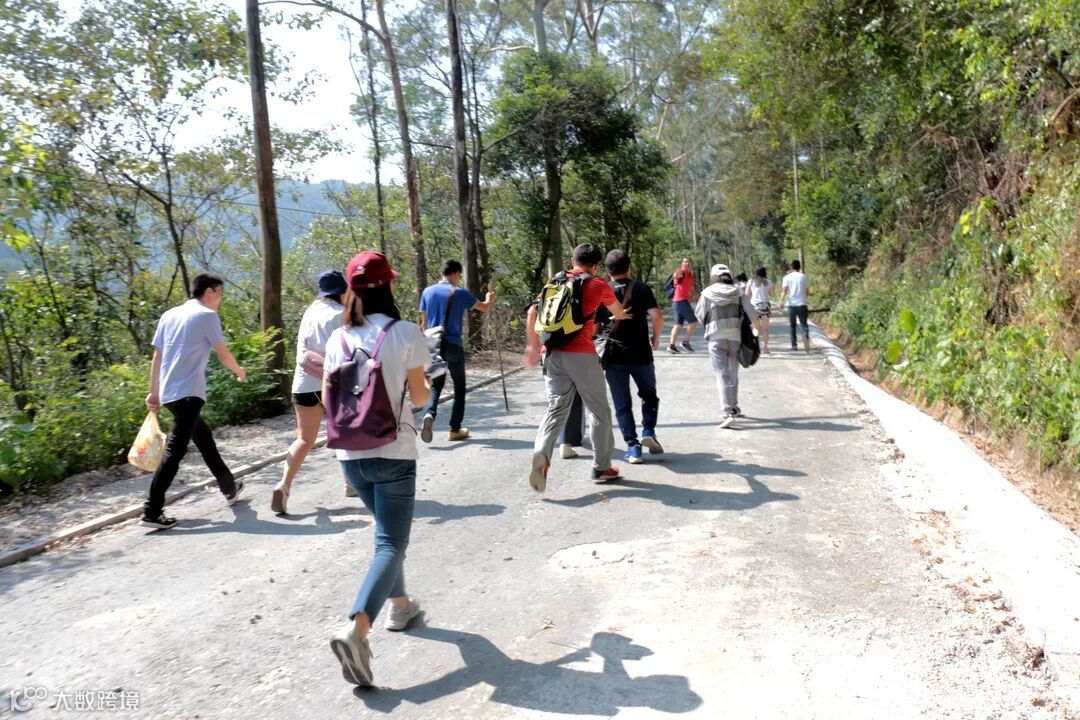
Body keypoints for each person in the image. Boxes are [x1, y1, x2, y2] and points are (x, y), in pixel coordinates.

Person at [325, 251, 431, 687]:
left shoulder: (338, 337)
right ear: (389, 285)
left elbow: (331, 396)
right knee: (390, 543)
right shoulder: (404, 332)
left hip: (350, 457)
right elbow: (420, 398)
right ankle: (357, 628)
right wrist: (422, 381)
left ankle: (400, 605)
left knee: (388, 537)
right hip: (393, 451)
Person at [139, 274, 246, 529]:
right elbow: (223, 354)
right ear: (209, 291)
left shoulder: (169, 315)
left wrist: (153, 392)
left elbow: (157, 355)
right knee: (174, 451)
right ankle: (152, 511)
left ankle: (229, 487)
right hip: (189, 393)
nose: (220, 300)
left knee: (205, 440)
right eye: (220, 294)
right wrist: (239, 371)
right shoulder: (207, 316)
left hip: (169, 394)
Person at [524, 243, 631, 491]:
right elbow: (616, 311)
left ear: (573, 261)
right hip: (581, 355)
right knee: (599, 411)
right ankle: (602, 467)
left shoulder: (556, 281)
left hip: (551, 354)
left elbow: (532, 312)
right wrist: (620, 315)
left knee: (556, 409)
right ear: (596, 266)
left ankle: (542, 452)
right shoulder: (598, 284)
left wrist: (532, 346)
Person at [272, 270, 347, 515]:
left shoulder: (310, 312)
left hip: (304, 384)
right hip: (333, 383)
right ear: (342, 291)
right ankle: (351, 483)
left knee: (304, 439)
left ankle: (284, 485)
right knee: (344, 433)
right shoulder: (341, 314)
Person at [595, 249, 665, 464]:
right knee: (649, 395)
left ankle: (633, 448)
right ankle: (648, 431)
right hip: (641, 353)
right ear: (629, 266)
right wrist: (655, 337)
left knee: (621, 402)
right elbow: (657, 316)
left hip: (613, 356)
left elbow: (595, 329)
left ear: (607, 270)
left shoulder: (602, 291)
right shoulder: (642, 288)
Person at [418, 260, 496, 443]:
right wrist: (489, 299)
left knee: (436, 385)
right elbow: (483, 308)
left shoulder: (427, 292)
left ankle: (429, 413)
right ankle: (455, 429)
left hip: (433, 344)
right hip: (453, 344)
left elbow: (423, 323)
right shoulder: (459, 292)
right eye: (459, 275)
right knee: (459, 387)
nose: (458, 278)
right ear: (454, 273)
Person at [695, 264, 759, 429]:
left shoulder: (707, 293)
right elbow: (753, 314)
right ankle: (734, 407)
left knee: (721, 374)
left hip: (716, 338)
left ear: (713, 276)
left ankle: (727, 412)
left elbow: (699, 315)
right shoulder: (738, 292)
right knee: (733, 373)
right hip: (735, 338)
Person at [667, 257, 698, 354]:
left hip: (679, 301)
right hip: (680, 301)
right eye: (685, 262)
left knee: (678, 325)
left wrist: (698, 297)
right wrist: (676, 276)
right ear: (682, 263)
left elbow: (691, 289)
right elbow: (676, 278)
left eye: (688, 262)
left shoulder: (691, 275)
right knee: (693, 322)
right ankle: (685, 342)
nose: (687, 263)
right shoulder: (680, 272)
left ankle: (671, 345)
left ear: (691, 264)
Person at [779, 259, 810, 351]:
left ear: (791, 267)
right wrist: (804, 297)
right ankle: (805, 335)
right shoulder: (804, 277)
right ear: (799, 267)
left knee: (792, 326)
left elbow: (784, 291)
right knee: (804, 323)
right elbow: (807, 291)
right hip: (802, 304)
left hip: (791, 305)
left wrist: (781, 301)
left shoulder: (787, 277)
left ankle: (794, 346)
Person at [746, 267, 774, 354]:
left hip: (754, 306)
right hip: (765, 306)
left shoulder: (751, 281)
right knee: (765, 328)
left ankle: (754, 347)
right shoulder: (769, 282)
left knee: (755, 328)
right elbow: (772, 294)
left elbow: (747, 294)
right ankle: (765, 348)